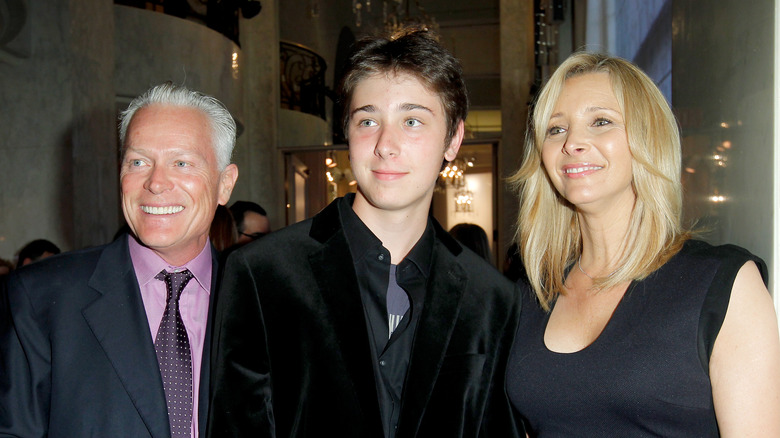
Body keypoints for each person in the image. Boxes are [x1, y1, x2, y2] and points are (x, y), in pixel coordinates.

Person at [208, 28, 523, 438]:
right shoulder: (262, 273)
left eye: (412, 121)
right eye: (368, 120)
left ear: (453, 139)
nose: (385, 145)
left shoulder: (492, 298)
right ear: (347, 134)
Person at [505, 52, 780, 436]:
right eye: (556, 129)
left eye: (601, 122)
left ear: (648, 139)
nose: (573, 143)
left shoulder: (722, 284)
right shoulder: (532, 292)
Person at [0, 83, 239, 437]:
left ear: (224, 184)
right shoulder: (40, 298)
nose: (156, 183)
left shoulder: (259, 301)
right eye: (138, 161)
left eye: (182, 162)